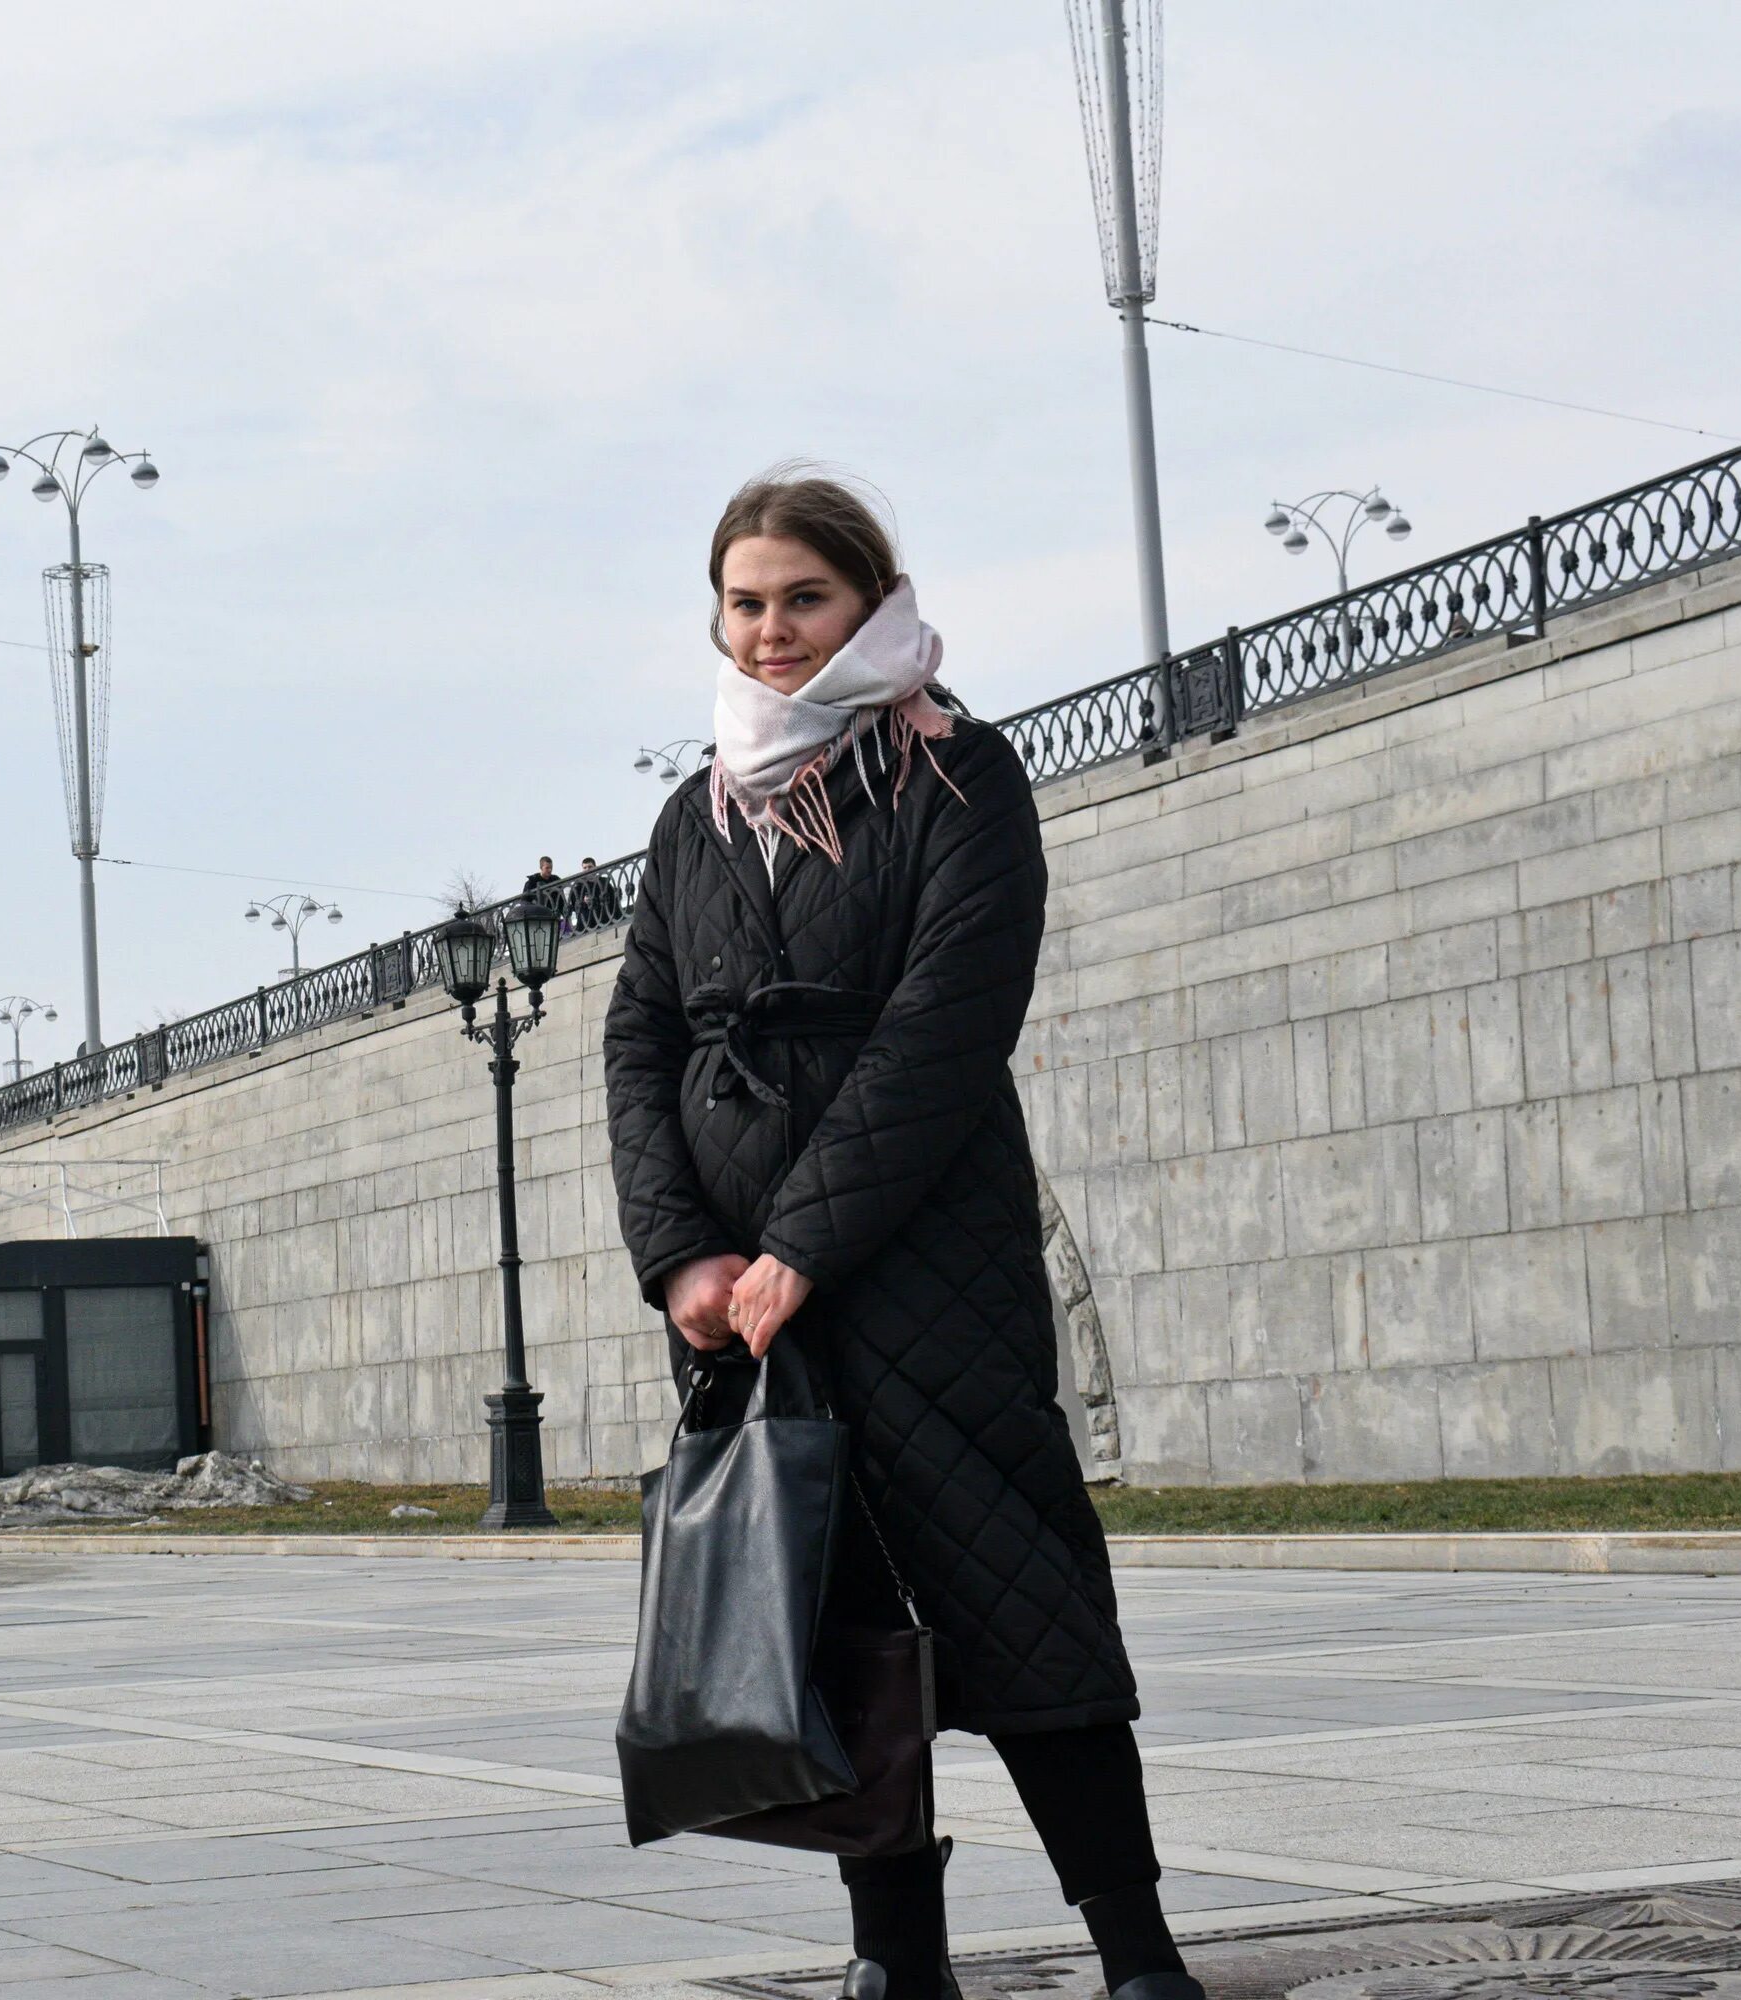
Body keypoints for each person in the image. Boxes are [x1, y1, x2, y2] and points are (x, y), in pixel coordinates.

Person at [604, 469, 1199, 2000]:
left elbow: (946, 1027)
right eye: (746, 601)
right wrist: (685, 1254)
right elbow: (638, 1043)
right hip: (747, 1289)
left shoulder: (958, 775)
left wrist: (808, 1237)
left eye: (805, 596)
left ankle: (1137, 1956)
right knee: (836, 1623)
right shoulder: (699, 814)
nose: (774, 630)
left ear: (871, 596)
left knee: (1023, 1599)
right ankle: (896, 1962)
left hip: (933, 1267)